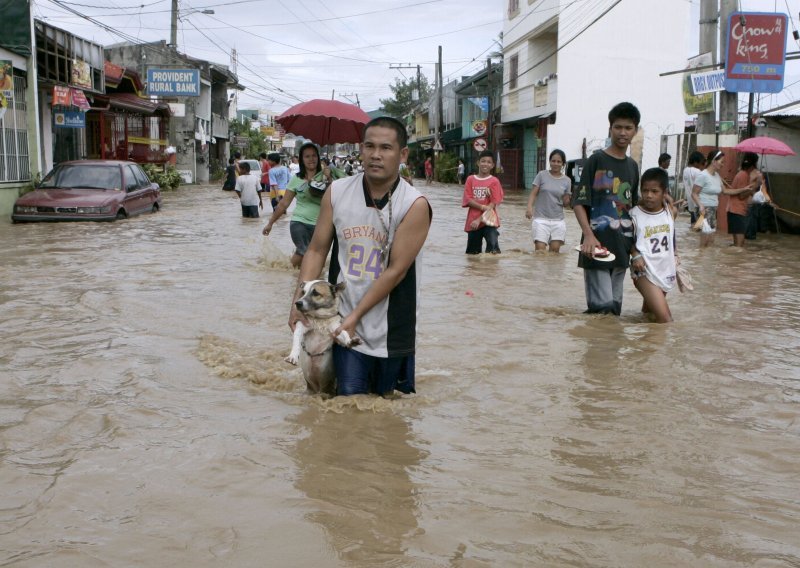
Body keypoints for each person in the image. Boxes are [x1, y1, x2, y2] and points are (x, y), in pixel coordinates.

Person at [288, 116, 432, 397]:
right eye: (369, 146)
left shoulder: (414, 204)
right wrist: (299, 302)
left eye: (386, 148)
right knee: (346, 401)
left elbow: (396, 271)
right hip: (340, 320)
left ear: (403, 154)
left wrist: (356, 316)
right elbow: (317, 249)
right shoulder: (337, 192)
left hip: (391, 325)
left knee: (384, 404)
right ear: (360, 150)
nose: (376, 155)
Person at [573, 101, 641, 316]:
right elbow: (578, 202)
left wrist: (635, 250)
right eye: (618, 127)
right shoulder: (596, 160)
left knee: (614, 311)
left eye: (628, 128)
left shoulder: (633, 167)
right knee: (601, 310)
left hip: (623, 247)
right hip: (597, 247)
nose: (623, 133)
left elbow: (633, 208)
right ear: (610, 128)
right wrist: (588, 236)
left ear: (635, 131)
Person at [262, 142, 344, 268]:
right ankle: (284, 275)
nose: (311, 159)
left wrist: (328, 179)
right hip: (300, 223)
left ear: (318, 157)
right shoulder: (296, 179)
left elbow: (339, 197)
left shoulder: (327, 175)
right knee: (303, 251)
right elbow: (284, 204)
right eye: (307, 156)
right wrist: (270, 223)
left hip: (322, 226)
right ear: (301, 159)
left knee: (318, 257)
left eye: (314, 156)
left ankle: (301, 278)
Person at [629, 168, 677, 323]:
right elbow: (626, 239)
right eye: (645, 191)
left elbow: (671, 234)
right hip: (644, 270)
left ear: (664, 192)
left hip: (664, 268)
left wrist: (676, 254)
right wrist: (635, 254)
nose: (649, 195)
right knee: (666, 320)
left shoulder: (670, 211)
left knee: (649, 315)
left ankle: (646, 346)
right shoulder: (633, 214)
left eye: (655, 191)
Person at [525, 149, 572, 253]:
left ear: (563, 164)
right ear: (550, 161)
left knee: (554, 253)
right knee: (540, 251)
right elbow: (533, 193)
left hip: (558, 221)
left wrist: (568, 199)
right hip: (540, 219)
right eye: (553, 161)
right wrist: (529, 208)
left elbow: (565, 203)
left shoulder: (567, 180)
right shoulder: (541, 175)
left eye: (559, 162)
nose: (555, 164)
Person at [462, 150, 503, 255]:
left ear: (493, 165)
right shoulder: (470, 179)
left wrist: (479, 219)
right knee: (472, 255)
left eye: (489, 162)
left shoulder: (494, 181)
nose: (485, 164)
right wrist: (482, 207)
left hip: (489, 220)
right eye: (483, 161)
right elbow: (468, 199)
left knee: (493, 253)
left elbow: (493, 204)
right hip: (473, 222)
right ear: (478, 163)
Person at [692, 150, 726, 248]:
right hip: (704, 209)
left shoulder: (717, 176)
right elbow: (694, 193)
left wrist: (743, 189)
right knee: (705, 241)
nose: (723, 164)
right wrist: (701, 205)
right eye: (721, 162)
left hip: (713, 209)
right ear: (714, 161)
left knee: (711, 241)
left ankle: (706, 261)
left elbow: (726, 191)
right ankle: (701, 260)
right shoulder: (703, 175)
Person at [727, 152, 762, 248]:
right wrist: (756, 185)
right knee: (740, 243)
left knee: (736, 243)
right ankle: (738, 261)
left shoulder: (741, 174)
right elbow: (741, 196)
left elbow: (743, 192)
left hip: (734, 210)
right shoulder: (744, 175)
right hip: (737, 210)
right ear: (754, 164)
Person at [681, 150, 705, 225]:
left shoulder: (685, 170)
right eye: (700, 163)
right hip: (699, 204)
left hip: (691, 204)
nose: (701, 165)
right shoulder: (697, 171)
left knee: (694, 225)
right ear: (695, 162)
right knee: (700, 227)